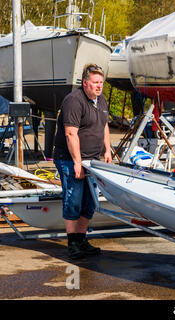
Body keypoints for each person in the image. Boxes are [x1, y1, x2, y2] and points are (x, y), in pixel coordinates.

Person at [53, 63, 112, 259]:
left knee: (90, 202)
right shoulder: (74, 101)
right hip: (70, 159)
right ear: (85, 83)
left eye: (101, 82)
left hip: (92, 160)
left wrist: (107, 150)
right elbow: (71, 134)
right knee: (74, 200)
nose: (99, 86)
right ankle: (73, 243)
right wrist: (77, 162)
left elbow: (104, 126)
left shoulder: (101, 100)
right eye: (95, 82)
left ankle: (82, 238)